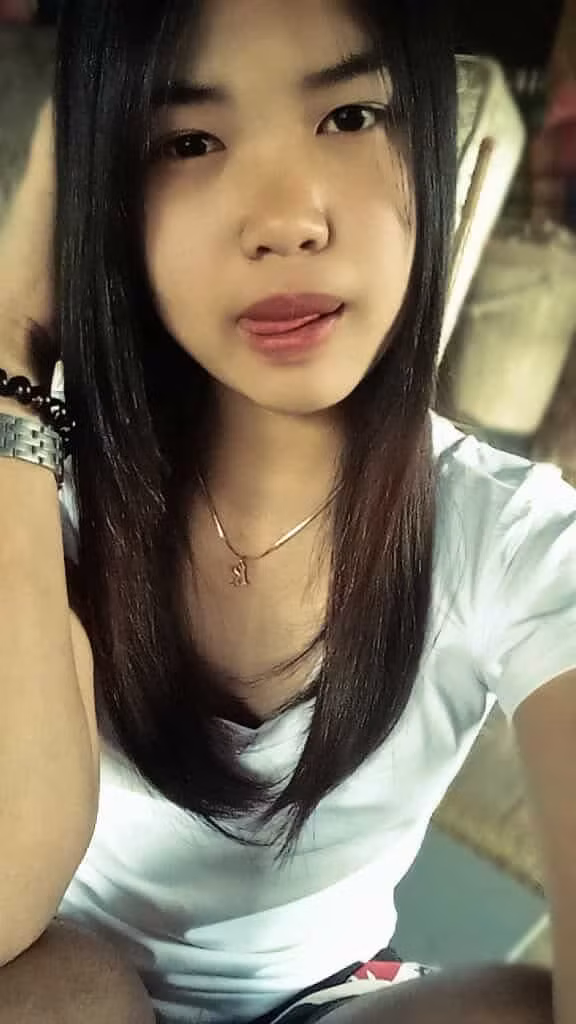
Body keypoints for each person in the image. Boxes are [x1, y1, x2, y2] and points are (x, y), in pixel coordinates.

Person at [0, 1, 575, 1022]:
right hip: (57, 970)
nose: (287, 220)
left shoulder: (513, 538)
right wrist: (9, 342)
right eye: (190, 141)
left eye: (349, 117)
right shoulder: (37, 475)